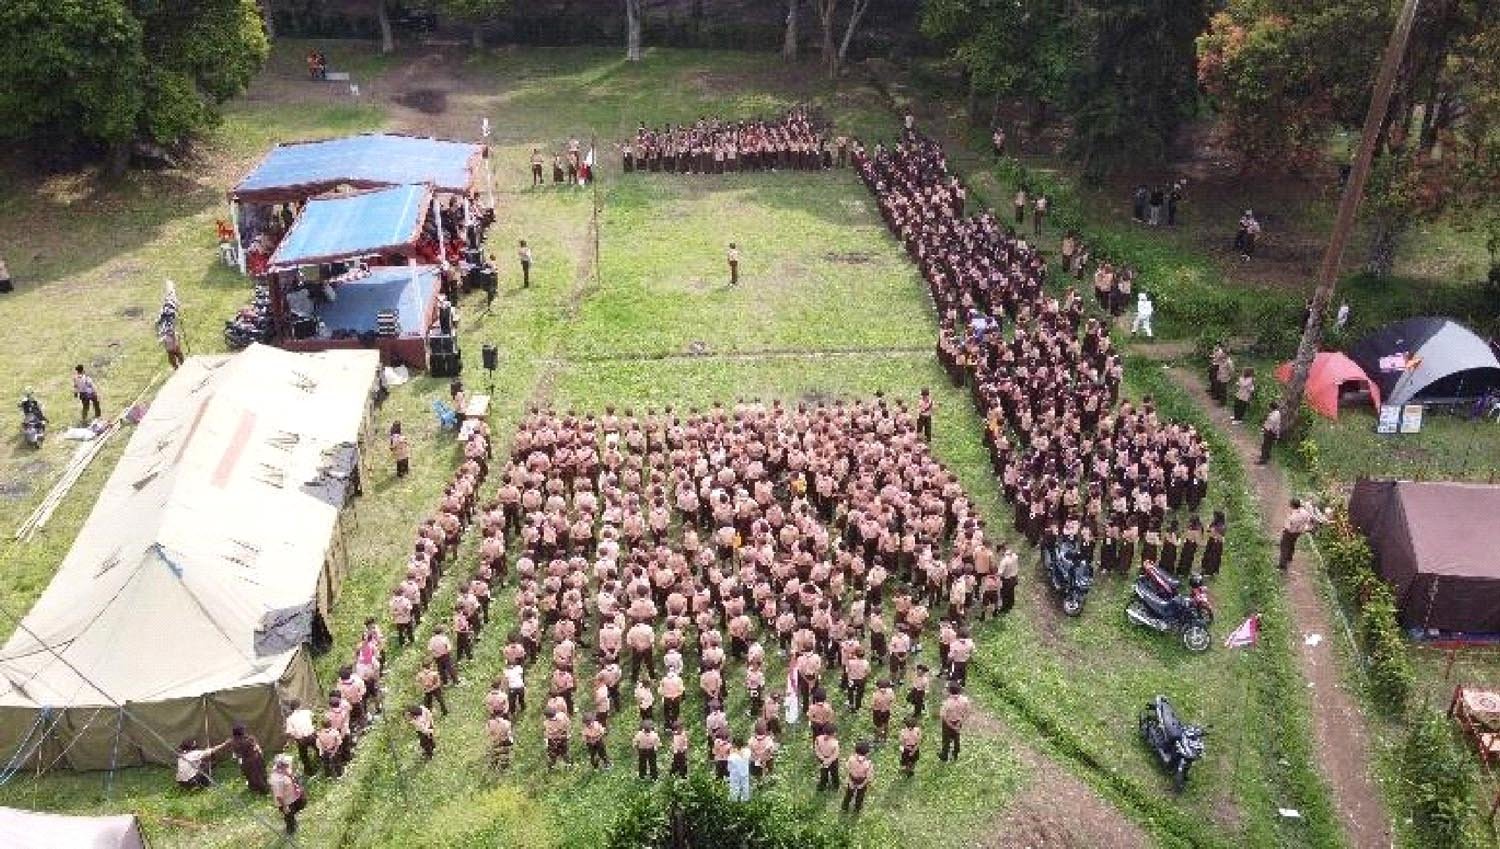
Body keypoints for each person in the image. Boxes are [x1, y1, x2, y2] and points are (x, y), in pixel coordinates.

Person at [223, 723, 269, 794]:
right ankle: (264, 790)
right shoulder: (249, 739)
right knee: (259, 775)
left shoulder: (233, 741)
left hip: (246, 762)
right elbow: (258, 748)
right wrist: (260, 756)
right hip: (255, 760)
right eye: (243, 730)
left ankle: (255, 789)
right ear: (241, 732)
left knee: (251, 776)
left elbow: (236, 755)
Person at [1279, 499, 1324, 570]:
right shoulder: (1304, 512)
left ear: (1292, 505)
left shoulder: (1292, 516)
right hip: (1298, 532)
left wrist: (1283, 530)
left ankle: (1282, 565)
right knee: (1292, 543)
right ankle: (1289, 557)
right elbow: (1310, 519)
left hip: (1289, 532)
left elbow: (1287, 527)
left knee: (1284, 547)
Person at [269, 754, 307, 835]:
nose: (290, 764)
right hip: (286, 802)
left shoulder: (285, 770)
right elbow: (278, 796)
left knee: (302, 803)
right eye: (288, 763)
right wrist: (285, 806)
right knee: (289, 817)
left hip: (293, 796)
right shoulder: (277, 780)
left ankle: (293, 817)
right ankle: (291, 830)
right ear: (282, 765)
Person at [283, 699, 318, 775]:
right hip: (311, 735)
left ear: (291, 708)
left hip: (301, 739)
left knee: (304, 756)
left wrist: (293, 739)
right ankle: (322, 761)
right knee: (319, 749)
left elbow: (289, 732)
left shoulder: (289, 719)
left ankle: (309, 771)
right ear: (299, 706)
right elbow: (314, 716)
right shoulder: (306, 712)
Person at [938, 683, 970, 762]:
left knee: (946, 739)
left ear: (949, 691)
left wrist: (951, 726)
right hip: (958, 722)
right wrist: (960, 722)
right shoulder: (965, 700)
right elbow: (967, 712)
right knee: (956, 736)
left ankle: (944, 756)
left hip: (948, 723)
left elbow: (943, 716)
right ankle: (955, 754)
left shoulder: (947, 703)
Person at [842, 740, 873, 814]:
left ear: (856, 751)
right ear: (867, 753)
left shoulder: (851, 759)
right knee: (860, 796)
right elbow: (868, 776)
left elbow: (848, 769)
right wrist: (862, 785)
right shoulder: (868, 764)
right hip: (862, 781)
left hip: (852, 779)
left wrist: (849, 780)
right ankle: (857, 808)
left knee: (848, 794)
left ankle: (845, 807)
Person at [727, 736, 751, 801]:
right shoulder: (747, 752)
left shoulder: (732, 755)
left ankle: (733, 802)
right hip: (745, 773)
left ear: (734, 744)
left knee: (734, 789)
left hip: (735, 774)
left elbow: (729, 767)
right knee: (745, 788)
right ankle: (745, 802)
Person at [998, 545, 1019, 613]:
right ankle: (1011, 605)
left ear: (1002, 550)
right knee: (1011, 592)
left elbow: (1000, 573)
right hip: (1014, 577)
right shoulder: (1015, 556)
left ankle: (1004, 608)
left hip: (1007, 579)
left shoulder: (1004, 561)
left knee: (1004, 594)